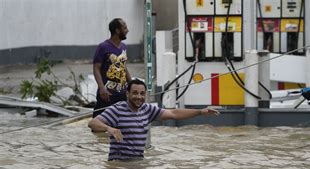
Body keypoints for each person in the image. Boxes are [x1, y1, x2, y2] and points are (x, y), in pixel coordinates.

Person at [88, 79, 220, 161]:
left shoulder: (147, 110)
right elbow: (93, 123)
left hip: (138, 163)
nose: (138, 97)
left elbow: (173, 113)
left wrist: (200, 112)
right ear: (127, 94)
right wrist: (109, 128)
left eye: (142, 93)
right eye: (134, 93)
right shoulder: (118, 109)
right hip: (119, 167)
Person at [92, 18, 132, 117]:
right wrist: (102, 88)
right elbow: (96, 68)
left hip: (122, 94)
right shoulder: (103, 47)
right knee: (99, 125)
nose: (127, 30)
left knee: (121, 123)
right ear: (117, 30)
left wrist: (131, 85)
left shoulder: (123, 47)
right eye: (125, 28)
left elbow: (124, 68)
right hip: (107, 94)